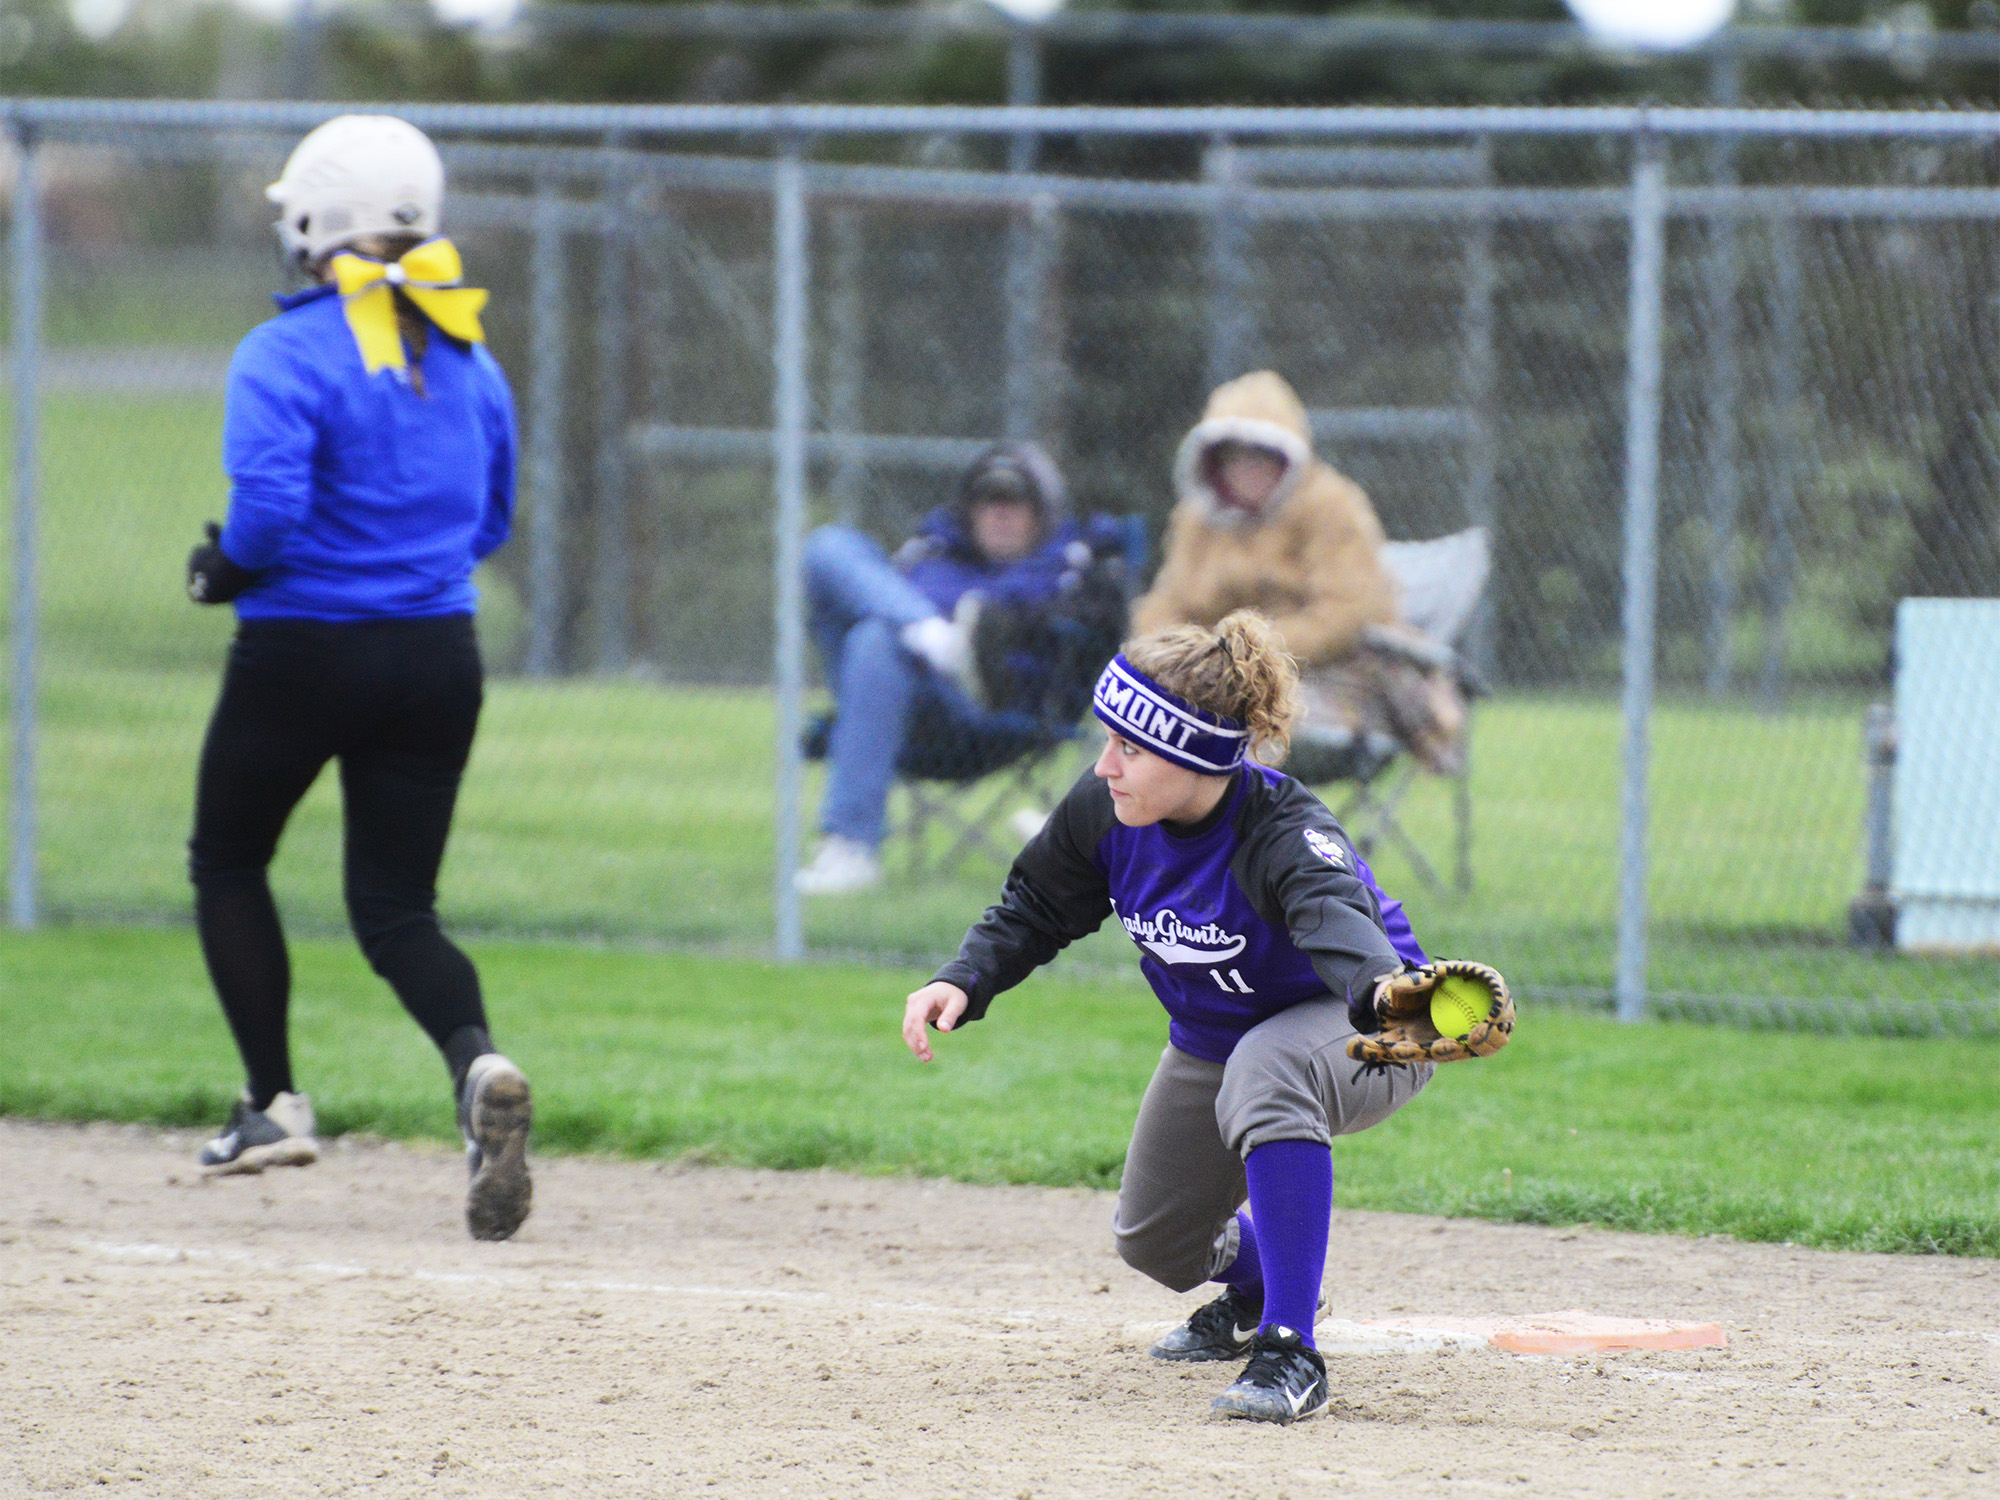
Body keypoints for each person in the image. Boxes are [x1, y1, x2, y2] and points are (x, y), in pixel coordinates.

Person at [902, 610, 1443, 1424]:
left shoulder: (1282, 832)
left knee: (1271, 1065)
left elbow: (1337, 920)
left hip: (1371, 1023)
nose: (1104, 765)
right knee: (1155, 1242)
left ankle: (1291, 1351)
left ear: (1196, 755)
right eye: (1107, 741)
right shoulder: (1107, 813)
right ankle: (1261, 1284)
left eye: (1129, 747)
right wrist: (966, 977)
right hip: (1217, 1038)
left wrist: (1388, 998)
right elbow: (1038, 904)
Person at [181, 115, 533, 1242]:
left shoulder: (280, 352)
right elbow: (491, 518)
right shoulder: (467, 355)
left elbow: (269, 519)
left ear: (312, 224)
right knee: (394, 907)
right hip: (437, 655)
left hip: (301, 651)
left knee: (229, 856)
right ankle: (477, 1069)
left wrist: (216, 573)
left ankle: (271, 1102)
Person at [797, 443, 1126, 895]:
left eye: (1015, 503)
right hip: (900, 700)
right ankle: (934, 636)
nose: (1000, 514)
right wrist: (930, 632)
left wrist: (1014, 628)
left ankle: (851, 846)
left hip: (992, 713)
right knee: (827, 547)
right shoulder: (932, 554)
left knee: (873, 641)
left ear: (1042, 513)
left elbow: (1104, 632)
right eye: (988, 502)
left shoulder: (1069, 566)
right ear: (968, 512)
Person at [1133, 370, 1468, 778]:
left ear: (1288, 455)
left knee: (1229, 733)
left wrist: (1242, 657)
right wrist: (1169, 662)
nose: (1248, 467)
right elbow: (1167, 603)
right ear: (1214, 460)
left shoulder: (1332, 506)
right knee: (1137, 709)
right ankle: (1095, 828)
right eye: (1235, 454)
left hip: (1327, 688)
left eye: (1261, 453)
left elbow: (1349, 615)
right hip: (1211, 683)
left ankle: (1213, 832)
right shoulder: (1198, 520)